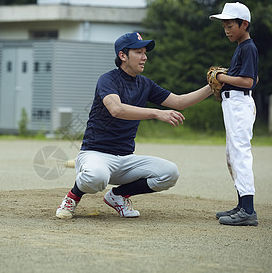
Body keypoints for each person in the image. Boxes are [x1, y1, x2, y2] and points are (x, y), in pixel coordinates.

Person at [56, 32, 213, 219]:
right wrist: (156, 113)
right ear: (123, 56)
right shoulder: (107, 80)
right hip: (95, 154)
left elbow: (179, 102)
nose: (144, 57)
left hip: (125, 159)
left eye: (145, 52)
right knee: (97, 177)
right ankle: (72, 197)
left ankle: (118, 196)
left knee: (169, 173)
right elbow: (116, 109)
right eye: (138, 52)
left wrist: (213, 86)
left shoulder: (145, 84)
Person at [209, 2, 259, 226]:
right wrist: (230, 77)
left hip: (239, 104)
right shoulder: (242, 47)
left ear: (244, 24)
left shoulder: (248, 47)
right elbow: (255, 78)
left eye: (230, 25)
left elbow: (248, 82)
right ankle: (242, 204)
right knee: (232, 156)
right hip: (234, 105)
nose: (227, 29)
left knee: (239, 154)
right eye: (225, 26)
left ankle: (248, 210)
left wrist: (222, 78)